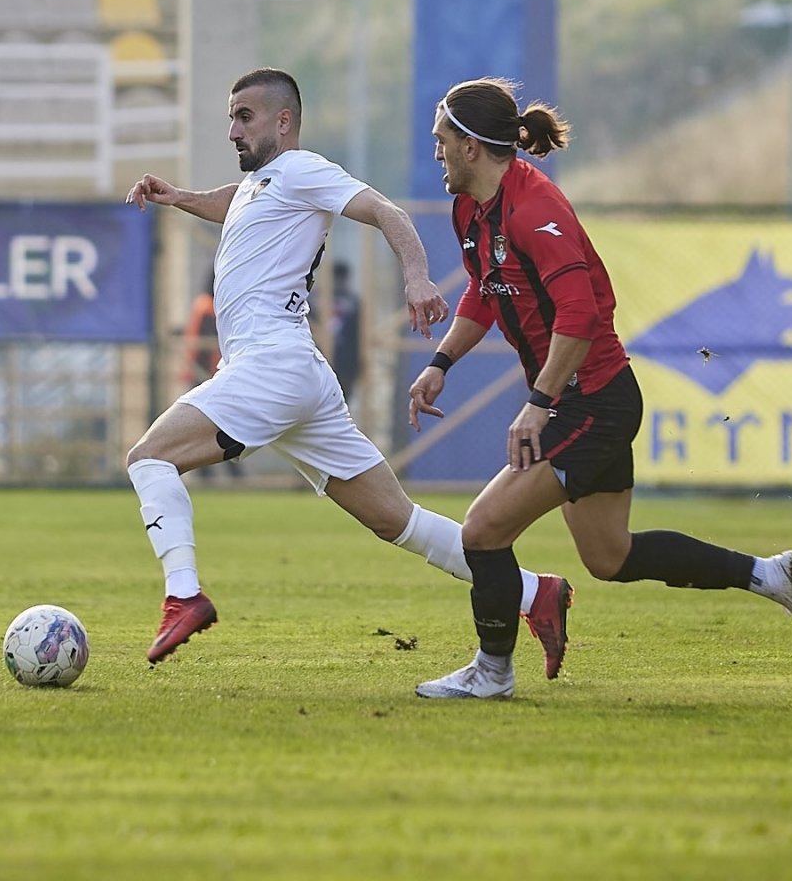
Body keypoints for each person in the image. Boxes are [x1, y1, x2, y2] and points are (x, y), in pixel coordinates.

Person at [125, 67, 573, 673]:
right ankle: (533, 592)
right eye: (230, 117)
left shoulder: (303, 169)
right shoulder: (265, 184)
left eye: (244, 116)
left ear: (284, 122)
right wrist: (179, 198)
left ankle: (183, 594)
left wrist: (416, 276)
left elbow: (386, 211)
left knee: (149, 458)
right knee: (399, 521)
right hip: (298, 376)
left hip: (271, 367)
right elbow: (233, 202)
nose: (232, 129)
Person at [407, 77, 792, 700]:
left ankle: (492, 673)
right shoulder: (470, 207)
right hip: (583, 400)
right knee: (609, 557)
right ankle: (772, 576)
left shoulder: (535, 207)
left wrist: (539, 404)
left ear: (472, 147)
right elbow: (485, 288)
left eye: (441, 140)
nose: (437, 152)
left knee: (481, 531)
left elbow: (580, 317)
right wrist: (442, 360)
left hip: (591, 402)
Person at [181, 270, 241, 479]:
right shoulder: (210, 308)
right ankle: (231, 474)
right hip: (208, 375)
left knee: (209, 427)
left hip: (201, 374)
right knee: (224, 425)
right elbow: (206, 345)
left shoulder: (201, 304)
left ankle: (211, 473)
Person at [328, 260, 361, 403]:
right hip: (326, 354)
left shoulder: (353, 301)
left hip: (345, 359)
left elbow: (358, 333)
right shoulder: (314, 300)